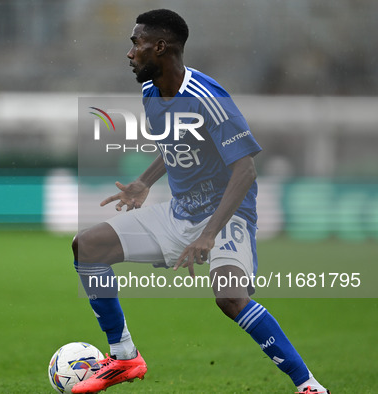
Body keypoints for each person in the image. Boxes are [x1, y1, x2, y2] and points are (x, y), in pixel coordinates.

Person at [71, 9, 329, 394]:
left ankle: (308, 385)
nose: (130, 53)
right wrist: (144, 182)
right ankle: (124, 357)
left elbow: (245, 171)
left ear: (160, 47)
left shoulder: (208, 97)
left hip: (227, 217)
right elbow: (176, 145)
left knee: (229, 295)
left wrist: (209, 235)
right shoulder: (150, 92)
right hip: (180, 213)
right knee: (87, 246)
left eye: (136, 43)